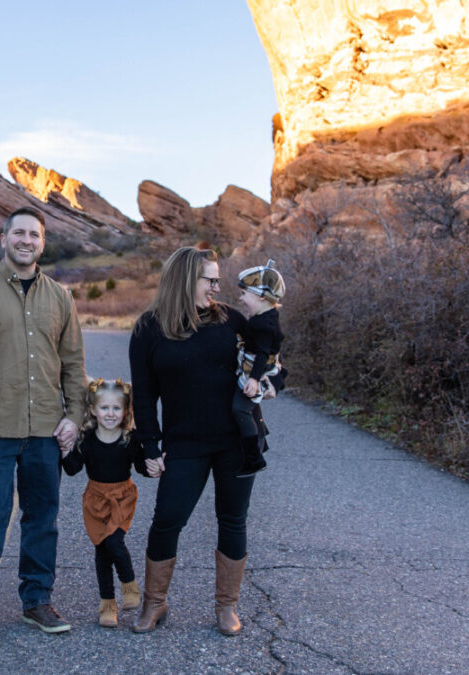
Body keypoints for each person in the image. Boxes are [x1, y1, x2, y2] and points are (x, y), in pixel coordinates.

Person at [0, 206, 88, 646]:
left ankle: (37, 601)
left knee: (42, 519)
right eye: (19, 233)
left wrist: (74, 418)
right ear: (4, 238)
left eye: (35, 235)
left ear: (42, 243)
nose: (27, 241)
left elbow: (73, 364)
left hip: (46, 430)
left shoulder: (60, 298)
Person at [128, 245, 259, 636]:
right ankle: (155, 603)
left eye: (218, 279)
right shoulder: (148, 328)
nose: (217, 287)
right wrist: (149, 445)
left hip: (237, 440)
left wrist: (269, 377)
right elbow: (144, 395)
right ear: (186, 279)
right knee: (167, 521)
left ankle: (226, 607)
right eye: (211, 279)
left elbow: (268, 360)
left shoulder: (233, 322)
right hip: (183, 442)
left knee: (232, 520)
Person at [60, 378, 146, 628]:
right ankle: (107, 606)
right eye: (105, 408)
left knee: (114, 541)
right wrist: (66, 450)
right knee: (102, 550)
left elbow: (141, 467)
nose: (110, 414)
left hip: (122, 497)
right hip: (95, 499)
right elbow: (73, 469)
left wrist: (155, 462)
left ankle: (129, 586)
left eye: (116, 408)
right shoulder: (87, 438)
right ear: (94, 410)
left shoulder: (130, 438)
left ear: (125, 411)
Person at [232, 258, 287, 478]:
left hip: (256, 372)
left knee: (240, 408)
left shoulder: (262, 324)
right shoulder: (265, 316)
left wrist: (254, 380)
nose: (241, 299)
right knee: (248, 408)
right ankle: (259, 438)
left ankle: (254, 458)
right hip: (254, 368)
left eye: (245, 294)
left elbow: (263, 354)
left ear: (262, 296)